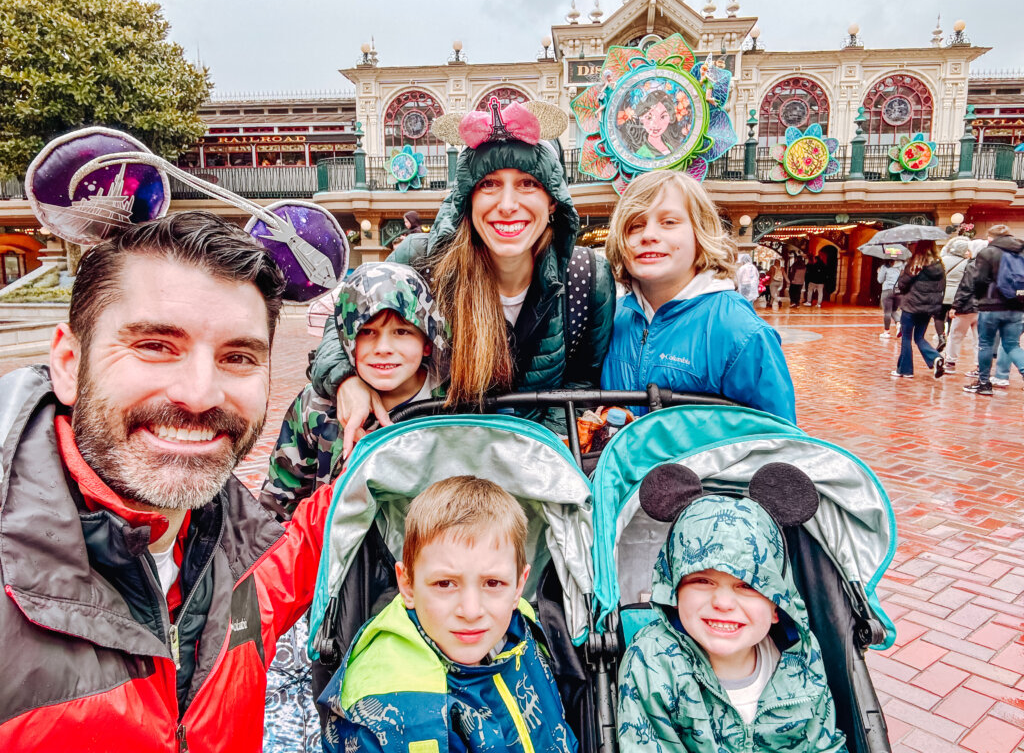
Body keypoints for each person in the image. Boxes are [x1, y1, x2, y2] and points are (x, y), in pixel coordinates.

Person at [0, 211, 332, 751]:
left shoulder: (247, 563)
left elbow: (320, 530)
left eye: (238, 356)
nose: (200, 394)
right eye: (155, 345)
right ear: (68, 362)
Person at [308, 102, 615, 455]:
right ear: (467, 200)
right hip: (435, 452)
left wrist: (528, 455)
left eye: (528, 184)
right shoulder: (421, 260)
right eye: (489, 184)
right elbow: (343, 320)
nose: (508, 204)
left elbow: (580, 381)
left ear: (552, 203)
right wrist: (346, 380)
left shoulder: (587, 277)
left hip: (535, 460)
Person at [318, 476, 577, 753]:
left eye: (493, 583)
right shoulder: (382, 703)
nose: (471, 611)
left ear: (518, 587)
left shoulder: (525, 632)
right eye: (445, 584)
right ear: (407, 585)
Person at [617, 463, 847, 753]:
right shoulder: (653, 663)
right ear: (674, 592)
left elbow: (822, 743)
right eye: (702, 580)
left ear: (777, 604)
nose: (723, 603)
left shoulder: (801, 655)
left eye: (748, 586)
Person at [600, 170, 796, 423]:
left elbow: (778, 439)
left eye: (669, 222)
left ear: (699, 234)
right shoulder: (612, 317)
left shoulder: (740, 331)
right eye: (635, 225)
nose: (648, 235)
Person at [261, 262, 448, 516]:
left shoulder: (454, 404)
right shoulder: (315, 406)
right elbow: (279, 506)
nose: (383, 347)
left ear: (426, 342)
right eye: (367, 331)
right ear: (347, 340)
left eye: (401, 331)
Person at [963, 224, 1024, 395]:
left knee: (986, 345)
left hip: (991, 305)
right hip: (1017, 305)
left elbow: (980, 280)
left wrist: (979, 298)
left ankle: (984, 383)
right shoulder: (1021, 251)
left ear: (991, 237)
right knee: (1012, 344)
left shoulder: (988, 252)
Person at [892, 239, 946, 379]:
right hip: (928, 308)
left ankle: (905, 370)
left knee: (906, 338)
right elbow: (942, 288)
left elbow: (902, 285)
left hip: (911, 306)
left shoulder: (914, 264)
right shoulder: (939, 265)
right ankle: (935, 358)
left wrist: (903, 274)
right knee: (919, 337)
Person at [944, 238, 987, 373]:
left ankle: (950, 363)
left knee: (955, 334)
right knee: (979, 339)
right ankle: (980, 367)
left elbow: (966, 287)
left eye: (970, 249)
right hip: (983, 307)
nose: (967, 252)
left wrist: (955, 306)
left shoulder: (972, 265)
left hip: (967, 307)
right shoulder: (991, 265)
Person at [935, 238, 972, 351]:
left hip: (942, 293)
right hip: (956, 295)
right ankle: (950, 336)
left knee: (939, 317)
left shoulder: (943, 259)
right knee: (952, 318)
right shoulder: (966, 263)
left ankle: (941, 337)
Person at [627, 89, 686, 159]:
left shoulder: (669, 146)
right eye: (649, 118)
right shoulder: (642, 153)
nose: (656, 124)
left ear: (670, 116)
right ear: (641, 119)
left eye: (663, 117)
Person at [877, 258, 903, 338]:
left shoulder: (885, 267)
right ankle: (899, 324)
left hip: (887, 290)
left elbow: (880, 280)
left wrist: (879, 272)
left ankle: (886, 332)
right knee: (893, 310)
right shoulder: (902, 266)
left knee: (887, 312)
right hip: (898, 291)